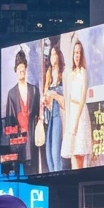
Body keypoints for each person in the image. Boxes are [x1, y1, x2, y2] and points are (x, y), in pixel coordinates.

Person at [5, 49, 41, 172]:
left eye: (23, 68)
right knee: (20, 172)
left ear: (26, 69)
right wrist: (12, 144)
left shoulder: (34, 90)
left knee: (33, 169)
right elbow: (9, 121)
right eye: (19, 68)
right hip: (18, 139)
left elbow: (38, 114)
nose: (21, 71)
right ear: (16, 70)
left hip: (32, 137)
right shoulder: (11, 94)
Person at [63, 38, 92, 169]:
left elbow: (83, 97)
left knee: (79, 152)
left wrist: (76, 121)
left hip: (80, 114)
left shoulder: (83, 72)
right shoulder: (70, 74)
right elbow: (67, 98)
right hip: (71, 112)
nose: (77, 55)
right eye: (75, 53)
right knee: (72, 153)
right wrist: (69, 121)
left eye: (79, 53)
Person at [42, 45, 67, 173]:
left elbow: (65, 101)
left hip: (59, 116)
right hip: (50, 116)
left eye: (54, 54)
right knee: (49, 153)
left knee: (56, 151)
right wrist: (45, 100)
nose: (52, 58)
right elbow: (45, 94)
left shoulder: (63, 74)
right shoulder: (49, 74)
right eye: (51, 55)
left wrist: (54, 95)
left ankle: (58, 174)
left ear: (58, 56)